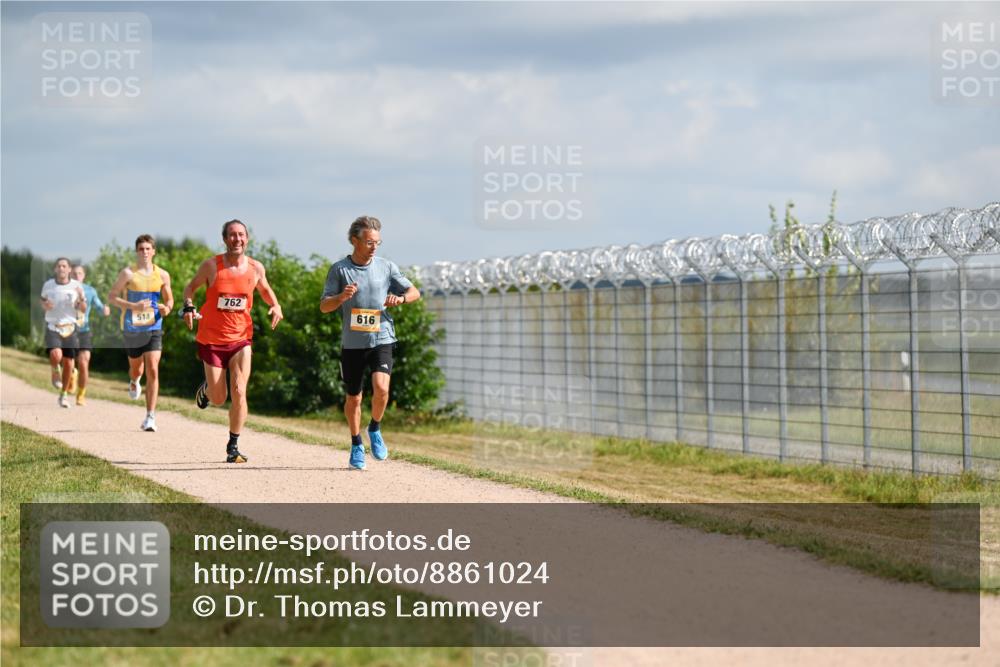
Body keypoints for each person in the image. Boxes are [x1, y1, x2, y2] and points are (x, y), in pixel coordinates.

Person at [320, 215, 420, 470]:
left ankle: (374, 428)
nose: (374, 246)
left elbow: (414, 292)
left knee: (382, 388)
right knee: (354, 398)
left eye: (377, 242)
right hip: (353, 344)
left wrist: (401, 299)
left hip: (382, 336)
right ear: (355, 240)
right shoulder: (340, 269)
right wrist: (342, 296)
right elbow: (324, 306)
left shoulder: (386, 267)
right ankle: (356, 444)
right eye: (369, 242)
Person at [182, 219, 283, 463]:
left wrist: (275, 305)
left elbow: (266, 290)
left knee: (239, 390)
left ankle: (233, 445)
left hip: (241, 339)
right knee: (219, 398)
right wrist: (188, 307)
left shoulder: (256, 268)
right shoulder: (211, 266)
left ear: (247, 239)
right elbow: (190, 289)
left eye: (241, 235)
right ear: (225, 239)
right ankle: (207, 389)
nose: (237, 239)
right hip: (211, 339)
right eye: (232, 235)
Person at [108, 234, 174, 432]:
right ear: (136, 251)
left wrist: (167, 309)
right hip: (132, 327)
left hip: (154, 327)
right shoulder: (128, 274)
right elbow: (112, 297)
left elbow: (169, 300)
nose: (144, 252)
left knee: (153, 368)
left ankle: (150, 417)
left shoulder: (162, 275)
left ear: (153, 251)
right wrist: (132, 306)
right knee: (137, 369)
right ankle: (134, 380)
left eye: (148, 249)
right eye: (141, 249)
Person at [40, 257, 86, 408]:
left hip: (70, 327)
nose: (61, 268)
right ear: (55, 269)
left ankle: (64, 394)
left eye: (64, 266)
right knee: (56, 355)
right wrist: (45, 305)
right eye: (58, 266)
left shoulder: (76, 286)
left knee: (69, 363)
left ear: (69, 269)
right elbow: (42, 301)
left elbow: (83, 308)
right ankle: (54, 370)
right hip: (53, 325)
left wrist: (80, 301)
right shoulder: (48, 285)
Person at [71, 264, 111, 405]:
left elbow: (99, 307)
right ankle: (72, 375)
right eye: (74, 274)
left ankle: (81, 394)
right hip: (67, 330)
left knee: (83, 362)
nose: (77, 276)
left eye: (79, 273)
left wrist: (104, 310)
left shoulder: (90, 291)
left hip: (84, 330)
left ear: (84, 275)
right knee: (69, 362)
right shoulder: (64, 290)